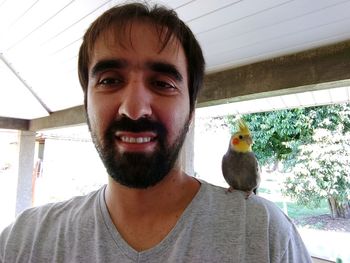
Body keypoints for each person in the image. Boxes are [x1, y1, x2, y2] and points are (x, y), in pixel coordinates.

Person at [0, 2, 312, 262]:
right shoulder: (24, 241)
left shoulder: (265, 234)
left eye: (163, 83)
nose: (134, 109)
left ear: (191, 110)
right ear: (86, 102)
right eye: (109, 80)